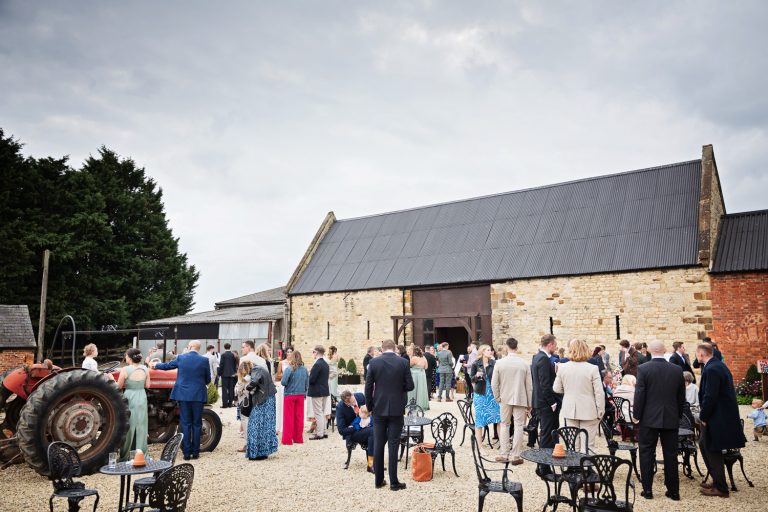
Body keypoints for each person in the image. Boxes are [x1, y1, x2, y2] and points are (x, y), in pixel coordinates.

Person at [632, 340, 685, 501]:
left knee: (646, 452)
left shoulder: (644, 368)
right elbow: (681, 396)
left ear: (649, 351)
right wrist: (678, 414)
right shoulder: (676, 370)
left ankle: (647, 490)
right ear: (665, 350)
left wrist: (637, 415)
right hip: (670, 416)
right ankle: (673, 491)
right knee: (671, 454)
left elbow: (640, 394)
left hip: (649, 418)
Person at [697, 342, 745, 497]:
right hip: (719, 415)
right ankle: (717, 479)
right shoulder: (717, 366)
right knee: (705, 445)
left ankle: (721, 488)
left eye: (697, 353)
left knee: (711, 449)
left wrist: (703, 416)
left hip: (717, 417)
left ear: (702, 354)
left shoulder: (712, 369)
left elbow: (710, 396)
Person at [365, 339, 414, 491]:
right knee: (393, 444)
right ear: (394, 348)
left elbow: (367, 387)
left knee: (379, 444)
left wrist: (370, 406)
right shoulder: (403, 362)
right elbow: (410, 385)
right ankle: (394, 482)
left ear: (382, 348)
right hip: (397, 408)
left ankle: (378, 480)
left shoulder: (374, 363)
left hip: (378, 408)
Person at [151, 340, 210, 460]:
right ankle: (196, 452)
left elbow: (167, 366)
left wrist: (155, 365)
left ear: (191, 347)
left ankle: (186, 453)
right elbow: (208, 379)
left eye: (188, 346)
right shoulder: (204, 360)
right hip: (198, 395)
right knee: (197, 424)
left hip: (183, 394)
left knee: (186, 423)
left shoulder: (182, 358)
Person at [553, 339, 605, 451]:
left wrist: (568, 391)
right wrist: (601, 410)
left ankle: (575, 467)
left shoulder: (563, 367)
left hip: (570, 408)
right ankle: (585, 467)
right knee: (588, 445)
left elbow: (556, 388)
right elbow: (599, 392)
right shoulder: (593, 368)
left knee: (573, 445)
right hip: (589, 409)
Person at [491, 337, 531, 464]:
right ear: (517, 348)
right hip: (521, 397)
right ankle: (516, 456)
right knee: (519, 426)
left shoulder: (499, 363)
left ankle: (504, 454)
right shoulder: (524, 363)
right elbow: (529, 386)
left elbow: (494, 383)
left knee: (504, 425)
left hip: (505, 398)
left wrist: (498, 397)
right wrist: (530, 403)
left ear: (507, 347)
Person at [531, 334, 561, 475]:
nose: (556, 347)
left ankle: (543, 465)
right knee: (547, 435)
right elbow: (544, 384)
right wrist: (552, 402)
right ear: (550, 344)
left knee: (546, 433)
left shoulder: (536, 356)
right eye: (555, 344)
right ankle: (544, 467)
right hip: (545, 403)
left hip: (539, 401)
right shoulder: (543, 358)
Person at [117, 348, 149, 461]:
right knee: (141, 425)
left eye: (126, 356)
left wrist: (111, 378)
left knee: (129, 425)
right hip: (142, 396)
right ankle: (141, 453)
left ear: (130, 358)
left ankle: (126, 454)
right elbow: (148, 385)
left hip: (130, 397)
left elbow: (118, 386)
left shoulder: (125, 369)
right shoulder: (145, 369)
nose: (125, 358)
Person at [469, 345, 500, 452]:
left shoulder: (494, 363)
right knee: (480, 422)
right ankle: (480, 447)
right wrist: (476, 376)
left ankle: (503, 446)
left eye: (490, 350)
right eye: (488, 350)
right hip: (481, 395)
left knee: (498, 419)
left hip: (492, 395)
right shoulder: (475, 364)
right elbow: (471, 380)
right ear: (482, 352)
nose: (490, 351)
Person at [245, 362, 278, 460]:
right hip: (268, 398)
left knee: (255, 425)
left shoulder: (256, 370)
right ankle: (263, 452)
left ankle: (256, 453)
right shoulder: (261, 368)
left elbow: (254, 381)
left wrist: (248, 387)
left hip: (263, 400)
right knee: (266, 425)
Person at [336, 390, 375, 472]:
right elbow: (341, 430)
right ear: (346, 403)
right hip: (354, 432)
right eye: (351, 403)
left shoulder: (360, 396)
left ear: (353, 395)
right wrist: (358, 427)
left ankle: (374, 462)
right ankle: (371, 465)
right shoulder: (340, 407)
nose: (354, 404)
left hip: (368, 425)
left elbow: (371, 410)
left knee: (381, 430)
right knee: (373, 431)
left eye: (354, 401)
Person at [281, 351, 309, 445]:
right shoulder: (304, 369)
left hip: (289, 395)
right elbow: (307, 384)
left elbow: (283, 382)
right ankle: (298, 439)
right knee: (299, 417)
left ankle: (287, 440)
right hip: (300, 395)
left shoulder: (289, 369)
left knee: (288, 417)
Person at [308, 345, 330, 440]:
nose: (312, 354)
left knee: (318, 413)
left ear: (316, 352)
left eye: (313, 352)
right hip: (324, 390)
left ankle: (320, 433)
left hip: (317, 391)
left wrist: (309, 373)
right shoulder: (325, 363)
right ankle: (323, 431)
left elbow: (312, 380)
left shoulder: (317, 364)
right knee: (322, 412)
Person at [234, 360, 254, 450]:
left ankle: (248, 444)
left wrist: (238, 383)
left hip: (245, 403)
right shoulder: (252, 377)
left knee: (245, 423)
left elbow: (237, 391)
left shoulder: (244, 379)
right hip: (252, 402)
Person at [406, 345, 429, 410]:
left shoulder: (414, 358)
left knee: (414, 389)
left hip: (415, 375)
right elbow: (426, 367)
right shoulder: (423, 357)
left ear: (414, 351)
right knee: (421, 389)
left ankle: (412, 405)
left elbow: (408, 366)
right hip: (422, 375)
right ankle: (422, 405)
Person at [218, 343, 238, 408]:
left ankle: (225, 404)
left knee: (224, 390)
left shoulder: (223, 355)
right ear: (230, 347)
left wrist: (219, 373)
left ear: (224, 347)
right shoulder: (233, 355)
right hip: (232, 374)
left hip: (224, 374)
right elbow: (234, 365)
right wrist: (234, 373)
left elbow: (221, 365)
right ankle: (230, 404)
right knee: (231, 389)